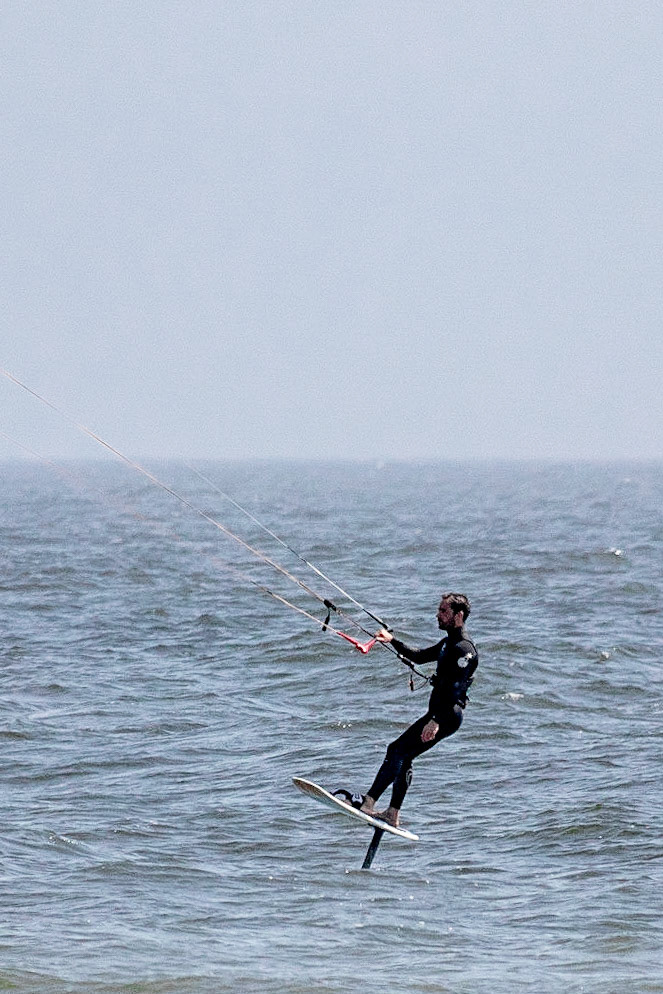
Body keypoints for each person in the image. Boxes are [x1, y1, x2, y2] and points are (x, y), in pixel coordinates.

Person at [359, 592, 478, 828]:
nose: (438, 615)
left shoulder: (465, 649)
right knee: (404, 756)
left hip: (446, 715)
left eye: (444, 611)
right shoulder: (448, 644)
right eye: (439, 610)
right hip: (440, 714)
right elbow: (420, 656)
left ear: (459, 615)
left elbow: (457, 688)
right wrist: (391, 640)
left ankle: (368, 803)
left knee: (396, 751)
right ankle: (392, 814)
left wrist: (435, 720)